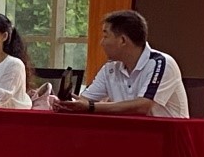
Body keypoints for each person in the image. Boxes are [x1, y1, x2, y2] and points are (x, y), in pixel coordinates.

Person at [52, 9, 188, 118]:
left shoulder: (161, 63)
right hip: (129, 135)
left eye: (105, 36)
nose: (101, 43)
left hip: (166, 137)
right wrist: (68, 104)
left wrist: (91, 107)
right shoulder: (110, 68)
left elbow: (143, 106)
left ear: (123, 40)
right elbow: (85, 100)